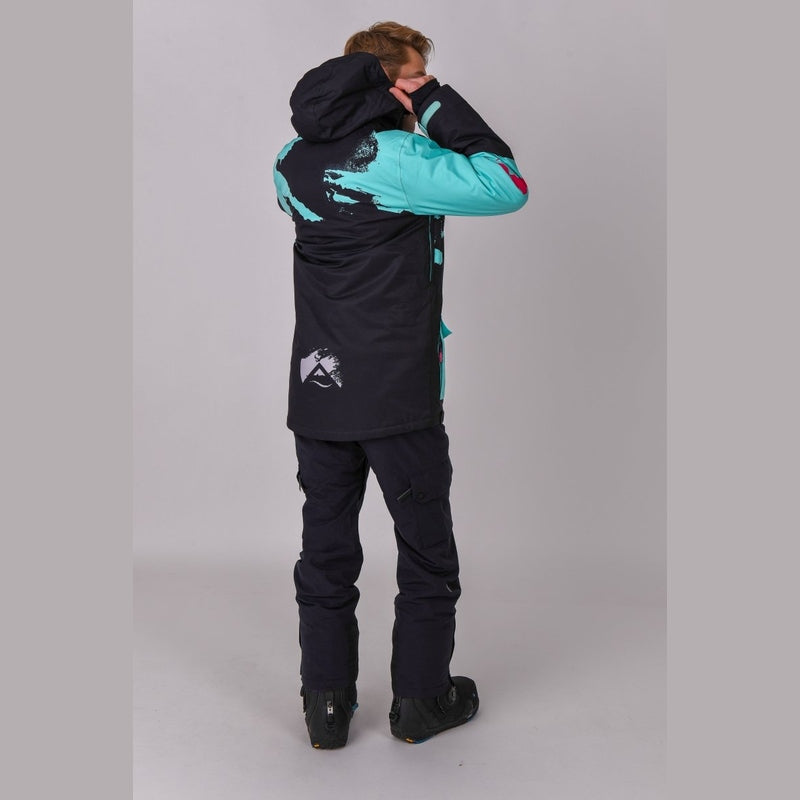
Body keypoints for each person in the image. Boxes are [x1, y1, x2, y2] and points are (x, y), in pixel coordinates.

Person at [273, 21, 528, 749]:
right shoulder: (398, 156)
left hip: (319, 387)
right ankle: (421, 701)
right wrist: (437, 102)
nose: (419, 92)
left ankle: (325, 710)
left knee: (325, 552)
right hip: (396, 394)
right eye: (415, 79)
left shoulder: (289, 159)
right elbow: (506, 185)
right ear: (389, 85)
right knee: (424, 552)